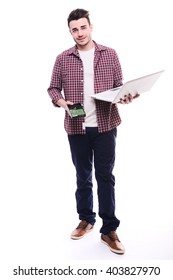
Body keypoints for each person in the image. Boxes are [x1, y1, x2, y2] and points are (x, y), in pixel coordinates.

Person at [47, 8, 139, 255]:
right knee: (82, 175)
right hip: (76, 127)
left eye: (83, 27)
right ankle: (86, 219)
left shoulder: (109, 54)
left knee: (105, 176)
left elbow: (120, 87)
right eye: (74, 29)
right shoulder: (63, 58)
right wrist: (62, 103)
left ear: (91, 27)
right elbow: (53, 89)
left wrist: (125, 97)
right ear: (70, 31)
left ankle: (109, 229)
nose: (79, 33)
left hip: (106, 125)